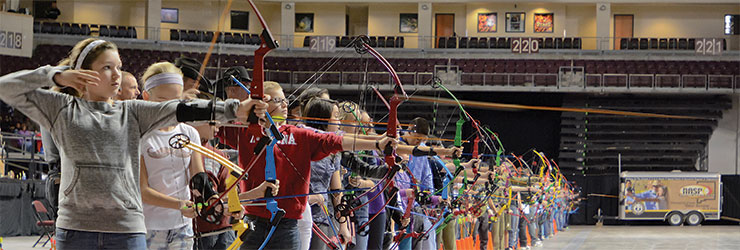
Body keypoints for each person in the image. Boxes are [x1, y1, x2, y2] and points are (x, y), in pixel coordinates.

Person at [0, 38, 267, 249]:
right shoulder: (61, 108)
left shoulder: (132, 111)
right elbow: (5, 86)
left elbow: (182, 109)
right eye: (107, 67)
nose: (117, 74)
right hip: (76, 228)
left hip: (126, 231)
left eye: (118, 66)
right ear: (82, 73)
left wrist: (235, 110)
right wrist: (56, 76)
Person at [217, 82, 459, 250]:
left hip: (290, 223)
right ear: (262, 104)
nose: (284, 103)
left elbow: (340, 141)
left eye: (284, 99)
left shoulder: (300, 135)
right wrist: (243, 109)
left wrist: (378, 143)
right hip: (253, 221)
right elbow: (210, 122)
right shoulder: (243, 133)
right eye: (277, 100)